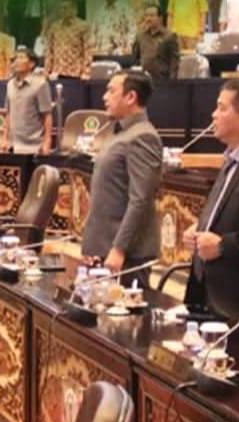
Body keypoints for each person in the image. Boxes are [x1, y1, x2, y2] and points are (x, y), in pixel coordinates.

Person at [183, 79, 239, 325]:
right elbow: (228, 211)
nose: (213, 115)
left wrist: (222, 246)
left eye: (221, 108)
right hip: (211, 296)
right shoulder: (233, 157)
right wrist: (200, 227)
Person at [82, 71, 162, 288]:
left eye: (111, 91)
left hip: (127, 254)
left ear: (131, 97)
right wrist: (92, 243)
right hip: (104, 247)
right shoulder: (119, 132)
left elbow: (140, 199)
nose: (104, 97)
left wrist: (119, 249)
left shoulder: (143, 136)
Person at [1, 48, 53, 155]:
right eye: (15, 59)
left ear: (31, 64)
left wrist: (47, 142)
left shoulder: (40, 84)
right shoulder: (10, 85)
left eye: (21, 58)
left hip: (34, 145)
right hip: (13, 145)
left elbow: (47, 115)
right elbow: (8, 113)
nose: (16, 61)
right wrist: (5, 138)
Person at [132, 4, 181, 82]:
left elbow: (174, 62)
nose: (148, 19)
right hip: (144, 80)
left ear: (160, 18)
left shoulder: (170, 36)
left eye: (152, 15)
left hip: (163, 80)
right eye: (146, 15)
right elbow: (135, 58)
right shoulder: (140, 36)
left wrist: (172, 82)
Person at [44, 1, 92, 79]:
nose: (63, 11)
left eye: (66, 8)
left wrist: (86, 72)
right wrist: (47, 70)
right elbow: (50, 50)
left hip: (76, 72)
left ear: (74, 10)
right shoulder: (55, 27)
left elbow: (88, 50)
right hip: (57, 71)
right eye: (61, 8)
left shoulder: (83, 26)